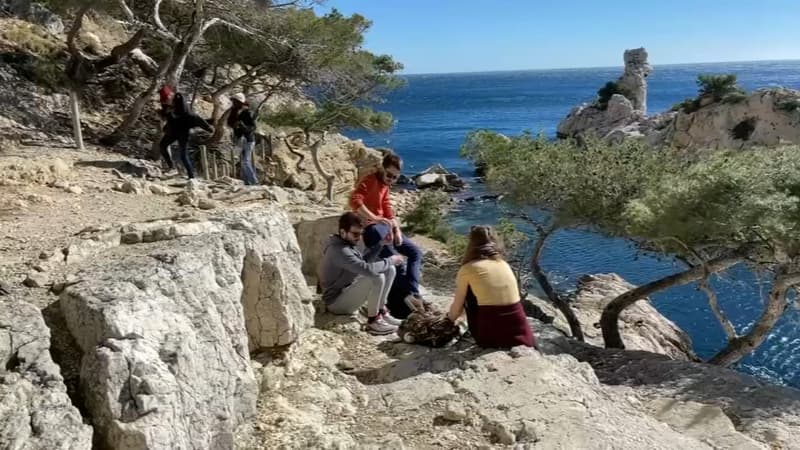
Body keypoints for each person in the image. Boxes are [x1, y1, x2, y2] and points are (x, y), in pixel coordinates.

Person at [350, 153, 425, 316]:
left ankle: (413, 294)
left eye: (395, 177)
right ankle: (402, 304)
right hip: (373, 229)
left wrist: (396, 229)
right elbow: (355, 200)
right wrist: (375, 218)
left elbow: (387, 208)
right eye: (389, 175)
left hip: (386, 227)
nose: (391, 179)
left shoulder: (384, 185)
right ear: (382, 169)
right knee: (397, 262)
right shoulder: (370, 180)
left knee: (415, 252)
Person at [446, 225, 535, 348]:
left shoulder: (468, 268)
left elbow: (457, 307)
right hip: (522, 333)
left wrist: (447, 321)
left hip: (491, 335)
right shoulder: (503, 264)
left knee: (469, 292)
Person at [318, 212, 405, 335]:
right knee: (376, 277)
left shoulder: (345, 244)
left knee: (389, 269)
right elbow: (367, 269)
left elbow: (363, 262)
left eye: (360, 234)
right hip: (336, 302)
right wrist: (391, 260)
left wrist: (381, 244)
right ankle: (374, 322)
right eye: (355, 234)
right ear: (343, 232)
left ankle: (381, 311)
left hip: (347, 292)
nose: (358, 237)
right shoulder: (339, 250)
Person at [159, 92, 213, 179]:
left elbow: (200, 121)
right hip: (173, 132)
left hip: (183, 134)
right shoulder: (171, 110)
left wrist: (208, 128)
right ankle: (172, 167)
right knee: (162, 145)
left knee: (183, 155)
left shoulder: (189, 115)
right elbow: (166, 117)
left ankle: (191, 176)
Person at [226, 93, 258, 185]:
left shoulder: (247, 112)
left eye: (235, 101)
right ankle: (247, 182)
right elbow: (230, 124)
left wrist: (243, 127)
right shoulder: (234, 112)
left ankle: (253, 181)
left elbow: (253, 127)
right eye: (233, 101)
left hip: (248, 139)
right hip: (240, 140)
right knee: (243, 161)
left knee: (245, 161)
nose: (233, 103)